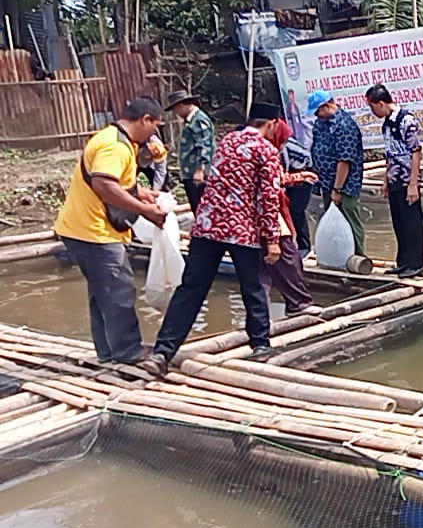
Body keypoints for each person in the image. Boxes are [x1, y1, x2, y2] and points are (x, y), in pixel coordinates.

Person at [141, 102, 286, 376]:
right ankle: (261, 346)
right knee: (252, 288)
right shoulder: (266, 150)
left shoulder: (228, 140)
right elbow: (268, 197)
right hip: (242, 230)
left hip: (208, 226)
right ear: (272, 123)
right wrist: (273, 239)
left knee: (191, 290)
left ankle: (162, 352)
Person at [54, 97, 169, 364]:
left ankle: (108, 352)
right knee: (118, 289)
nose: (155, 134)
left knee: (102, 292)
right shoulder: (114, 145)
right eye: (155, 126)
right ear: (145, 120)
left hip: (84, 229)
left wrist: (142, 193)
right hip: (93, 232)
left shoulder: (115, 139)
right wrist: (145, 211)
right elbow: (104, 185)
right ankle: (128, 351)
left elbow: (118, 182)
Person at [263, 118, 321, 315]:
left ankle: (263, 314)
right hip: (266, 214)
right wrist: (272, 237)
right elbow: (268, 190)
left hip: (261, 215)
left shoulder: (270, 149)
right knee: (287, 258)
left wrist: (300, 177)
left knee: (266, 268)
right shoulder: (265, 151)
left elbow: (276, 178)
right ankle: (298, 303)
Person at [367, 84, 423, 278]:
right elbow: (390, 154)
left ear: (381, 103)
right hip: (394, 179)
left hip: (408, 179)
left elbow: (416, 153)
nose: (372, 111)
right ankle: (404, 261)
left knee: (412, 221)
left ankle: (417, 262)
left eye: (372, 106)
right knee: (399, 222)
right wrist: (385, 180)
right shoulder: (386, 123)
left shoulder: (406, 121)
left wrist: (413, 184)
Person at [308, 89, 365, 256]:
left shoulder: (345, 126)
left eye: (318, 111)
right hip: (326, 182)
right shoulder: (321, 123)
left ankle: (358, 258)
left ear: (326, 106)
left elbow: (344, 161)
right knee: (331, 223)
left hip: (345, 185)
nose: (316, 115)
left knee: (350, 221)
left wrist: (338, 189)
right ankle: (336, 257)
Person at [167, 89, 215, 212]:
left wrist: (200, 169)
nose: (176, 113)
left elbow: (203, 146)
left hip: (196, 173)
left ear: (180, 106)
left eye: (176, 110)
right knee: (196, 207)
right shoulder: (191, 120)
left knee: (201, 208)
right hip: (190, 172)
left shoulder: (198, 120)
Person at [280, 123, 315, 256]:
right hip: (293, 173)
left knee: (296, 209)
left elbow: (283, 171)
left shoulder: (281, 145)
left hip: (304, 172)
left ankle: (304, 246)